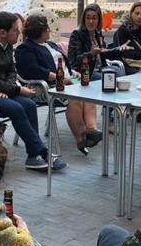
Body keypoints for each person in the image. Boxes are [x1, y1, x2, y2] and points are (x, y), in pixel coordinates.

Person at [0, 11, 66, 171]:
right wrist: (17, 89)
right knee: (17, 107)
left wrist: (8, 89)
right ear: (2, 33)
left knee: (28, 104)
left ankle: (33, 156)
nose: (19, 33)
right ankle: (41, 151)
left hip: (2, 91)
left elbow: (11, 71)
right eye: (15, 30)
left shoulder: (7, 44)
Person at [15, 15, 103, 154]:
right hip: (45, 86)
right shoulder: (26, 48)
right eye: (47, 29)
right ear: (39, 31)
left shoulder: (50, 45)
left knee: (88, 92)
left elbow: (64, 64)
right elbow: (32, 70)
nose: (49, 32)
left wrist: (74, 72)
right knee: (75, 98)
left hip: (67, 80)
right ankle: (81, 139)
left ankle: (91, 130)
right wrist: (59, 78)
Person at [67, 4, 131, 80]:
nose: (91, 22)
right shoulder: (77, 34)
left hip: (101, 68)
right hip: (86, 70)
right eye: (88, 18)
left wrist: (119, 49)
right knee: (107, 79)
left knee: (118, 71)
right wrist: (91, 54)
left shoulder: (97, 33)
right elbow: (75, 61)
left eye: (94, 18)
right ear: (84, 19)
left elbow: (105, 52)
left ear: (98, 20)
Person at [115, 2, 141, 73]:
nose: (139, 16)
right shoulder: (123, 29)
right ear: (131, 14)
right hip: (128, 64)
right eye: (137, 13)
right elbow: (123, 52)